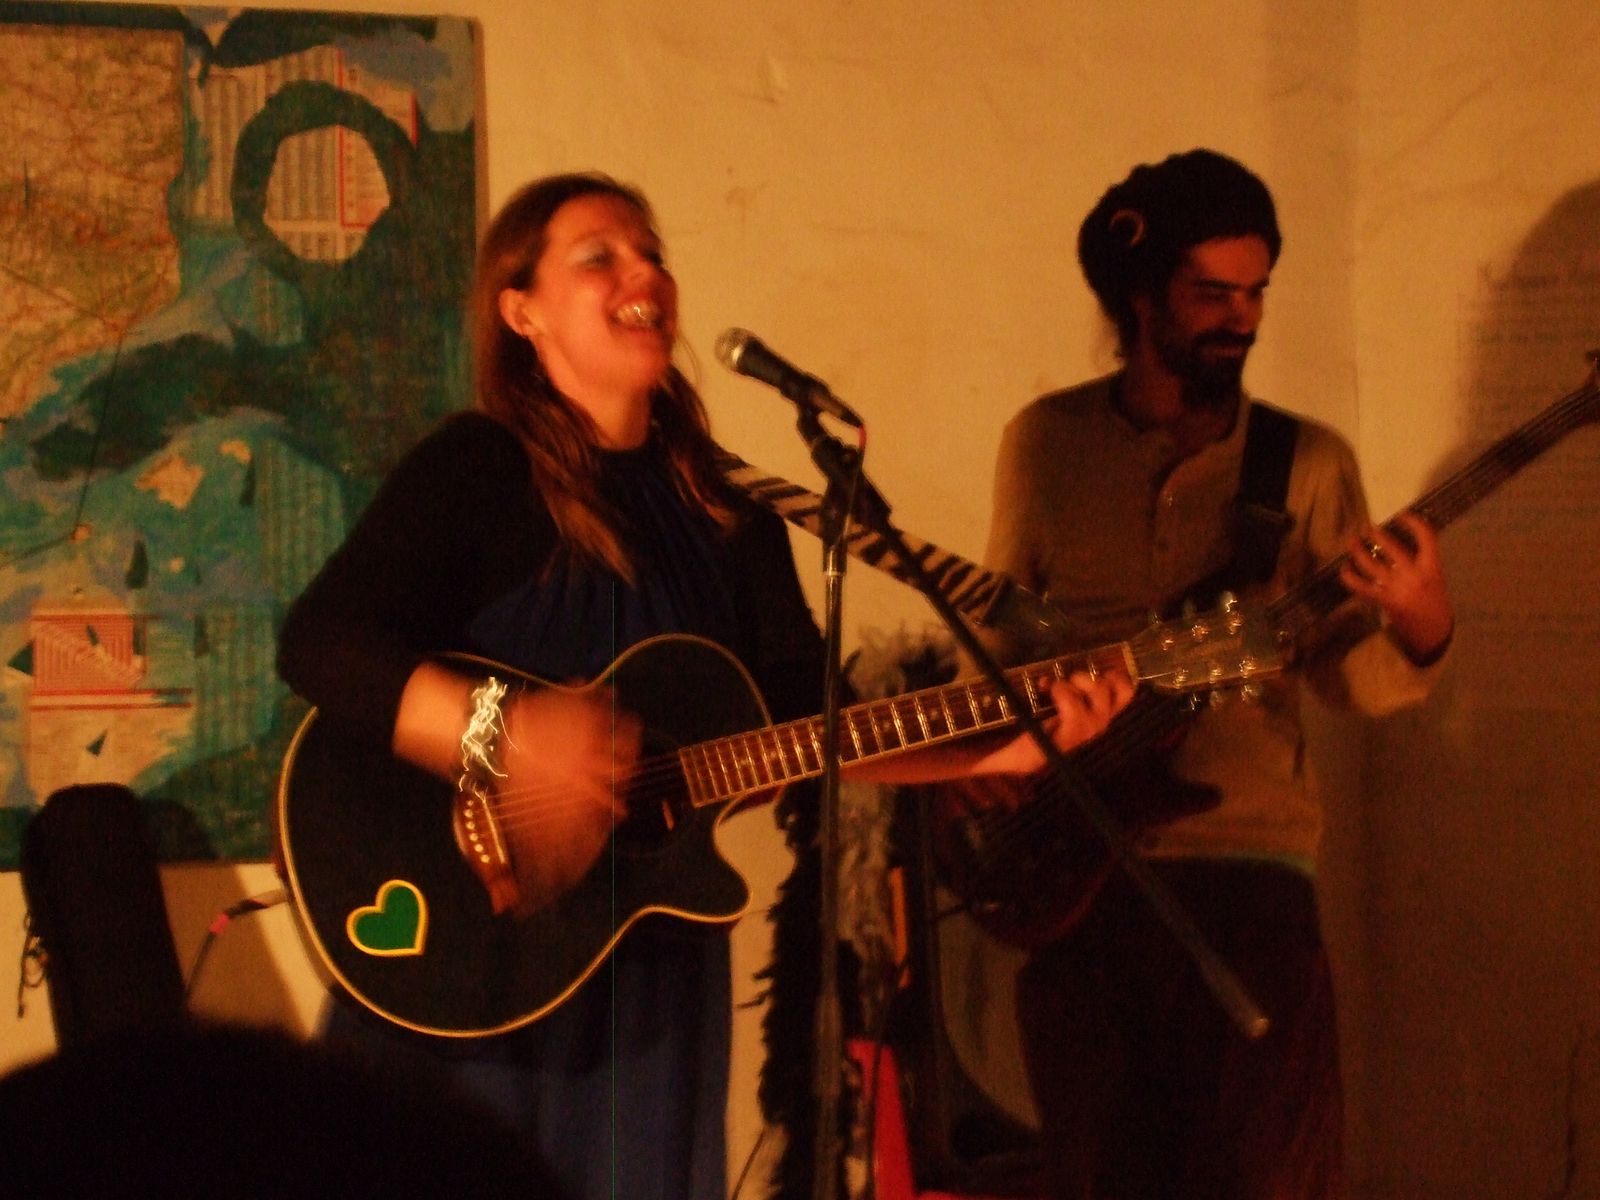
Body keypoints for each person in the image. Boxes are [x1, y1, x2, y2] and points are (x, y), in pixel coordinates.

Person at [275, 171, 1131, 1200]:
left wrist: (998, 747)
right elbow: (323, 643)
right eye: (600, 257)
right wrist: (506, 732)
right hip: (469, 956)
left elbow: (807, 725)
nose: (643, 274)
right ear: (522, 312)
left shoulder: (731, 512)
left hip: (646, 972)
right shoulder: (478, 467)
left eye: (652, 255)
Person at [960, 149, 1455, 1199]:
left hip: (1250, 878)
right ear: (1141, 300)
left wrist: (1421, 624)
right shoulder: (1044, 445)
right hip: (1078, 872)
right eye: (1213, 294)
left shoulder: (1305, 463)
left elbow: (1356, 683)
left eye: (1257, 292)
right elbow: (1002, 643)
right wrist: (985, 767)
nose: (1243, 318)